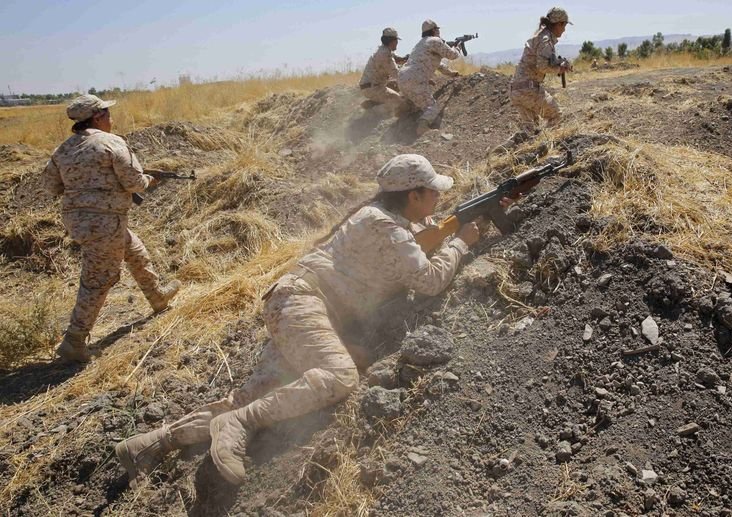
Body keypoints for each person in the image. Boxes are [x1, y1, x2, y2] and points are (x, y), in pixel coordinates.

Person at [115, 154, 502, 488]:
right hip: (303, 304)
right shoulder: (388, 227)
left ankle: (150, 444)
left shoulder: (379, 217)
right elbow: (429, 281)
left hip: (293, 303)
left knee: (255, 393)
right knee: (339, 376)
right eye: (432, 191)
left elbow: (414, 243)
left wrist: (445, 231)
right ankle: (237, 426)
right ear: (413, 195)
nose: (439, 196)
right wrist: (462, 242)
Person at [42, 94, 181, 363]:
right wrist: (150, 181)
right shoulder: (111, 142)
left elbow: (51, 187)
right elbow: (134, 183)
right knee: (99, 278)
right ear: (97, 117)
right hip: (104, 221)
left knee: (134, 250)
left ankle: (158, 297)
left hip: (80, 221)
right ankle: (74, 341)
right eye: (107, 113)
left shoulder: (62, 150)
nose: (111, 117)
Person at [510, 7, 573, 129]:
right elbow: (542, 66)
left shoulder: (540, 36)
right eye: (564, 25)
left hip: (517, 89)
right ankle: (547, 145)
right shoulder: (545, 39)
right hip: (528, 90)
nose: (564, 30)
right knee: (556, 115)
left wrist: (558, 65)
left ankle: (504, 149)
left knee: (529, 131)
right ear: (558, 24)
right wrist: (559, 69)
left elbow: (543, 61)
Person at [398, 20, 462, 136]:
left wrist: (451, 73)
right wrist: (458, 48)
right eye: (438, 29)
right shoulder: (435, 41)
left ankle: (404, 120)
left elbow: (438, 65)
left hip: (402, 77)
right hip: (415, 78)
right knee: (432, 107)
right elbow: (452, 56)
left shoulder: (420, 44)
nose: (439, 32)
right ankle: (422, 128)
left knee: (418, 105)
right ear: (433, 30)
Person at [359, 27, 406, 113]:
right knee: (399, 103)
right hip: (373, 88)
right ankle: (373, 111)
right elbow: (397, 74)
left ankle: (375, 102)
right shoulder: (385, 55)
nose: (397, 43)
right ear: (391, 41)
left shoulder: (384, 50)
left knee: (394, 86)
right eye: (396, 40)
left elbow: (396, 58)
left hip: (371, 85)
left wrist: (405, 58)